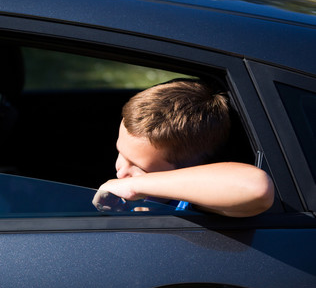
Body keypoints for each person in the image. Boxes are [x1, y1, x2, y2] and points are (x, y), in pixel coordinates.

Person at [93, 78, 274, 217]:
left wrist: (132, 186)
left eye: (139, 167)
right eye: (120, 153)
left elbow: (256, 187)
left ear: (188, 170)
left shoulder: (191, 200)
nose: (121, 173)